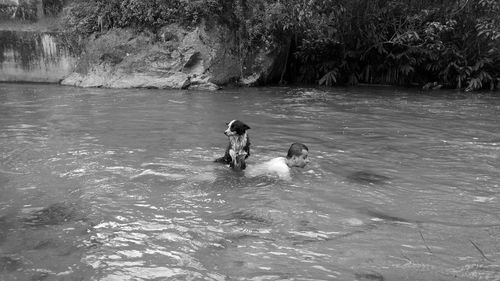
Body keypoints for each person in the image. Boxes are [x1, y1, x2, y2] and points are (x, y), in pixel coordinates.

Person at [246, 143, 310, 180]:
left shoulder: (280, 159)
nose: (308, 161)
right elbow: (288, 187)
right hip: (248, 179)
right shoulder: (283, 169)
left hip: (248, 171)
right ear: (294, 158)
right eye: (304, 158)